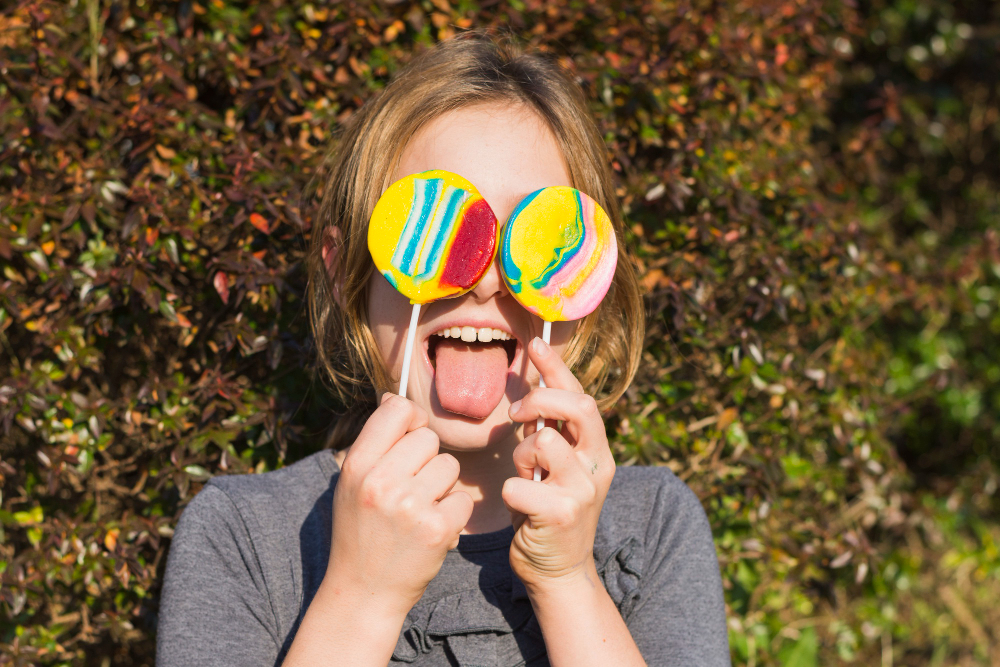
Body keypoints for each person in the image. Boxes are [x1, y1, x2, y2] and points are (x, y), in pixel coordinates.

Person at [156, 31, 731, 667]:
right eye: (438, 223)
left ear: (587, 277)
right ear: (348, 267)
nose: (486, 277)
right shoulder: (242, 536)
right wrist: (364, 594)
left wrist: (569, 582)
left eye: (536, 236)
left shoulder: (650, 528)